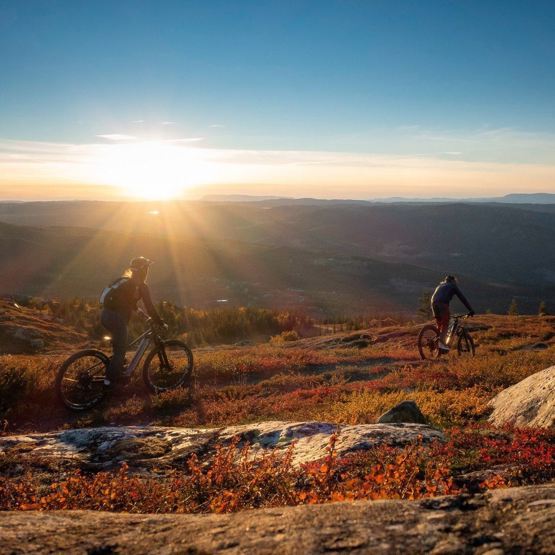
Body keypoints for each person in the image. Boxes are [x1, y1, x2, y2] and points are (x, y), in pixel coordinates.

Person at [100, 256, 165, 386]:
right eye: (147, 268)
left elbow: (129, 302)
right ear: (143, 270)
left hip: (105, 315)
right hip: (117, 319)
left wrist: (141, 313)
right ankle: (109, 382)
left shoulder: (127, 282)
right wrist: (160, 322)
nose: (147, 271)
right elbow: (150, 307)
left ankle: (117, 369)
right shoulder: (141, 286)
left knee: (119, 347)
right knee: (121, 350)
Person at [430, 275, 475, 351]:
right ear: (453, 281)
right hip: (442, 304)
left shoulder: (440, 285)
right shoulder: (453, 286)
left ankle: (436, 342)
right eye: (455, 281)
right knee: (446, 324)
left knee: (439, 323)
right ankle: (441, 344)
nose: (456, 283)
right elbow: (462, 298)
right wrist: (471, 310)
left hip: (433, 303)